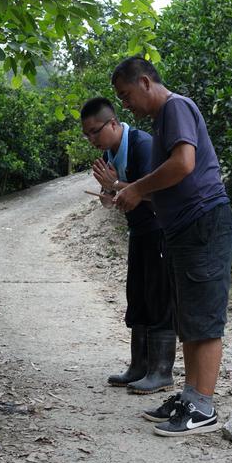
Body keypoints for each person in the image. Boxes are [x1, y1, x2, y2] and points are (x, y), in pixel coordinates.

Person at [111, 57, 232, 436]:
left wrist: (137, 187)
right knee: (189, 319)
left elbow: (183, 164)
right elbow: (168, 186)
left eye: (126, 95)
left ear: (146, 83)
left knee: (204, 320)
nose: (126, 105)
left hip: (204, 226)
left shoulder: (175, 107)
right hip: (185, 230)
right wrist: (124, 191)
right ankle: (190, 395)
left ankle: (204, 407)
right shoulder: (162, 120)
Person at [80, 97, 176, 394]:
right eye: (87, 134)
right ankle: (139, 366)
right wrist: (109, 195)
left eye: (95, 131)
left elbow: (159, 193)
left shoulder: (141, 145)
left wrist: (117, 186)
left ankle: (161, 371)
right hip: (138, 232)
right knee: (138, 297)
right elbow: (114, 199)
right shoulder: (111, 153)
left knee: (159, 298)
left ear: (113, 123)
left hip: (159, 231)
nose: (92, 139)